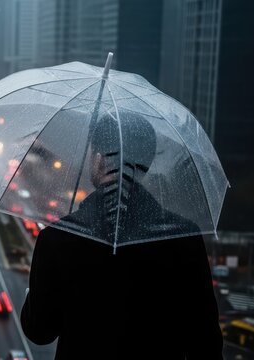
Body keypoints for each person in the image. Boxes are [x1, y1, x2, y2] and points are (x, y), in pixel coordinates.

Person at [20, 111, 224, 359]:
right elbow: (206, 343)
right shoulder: (183, 238)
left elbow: (40, 331)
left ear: (98, 160)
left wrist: (33, 294)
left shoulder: (58, 238)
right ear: (144, 167)